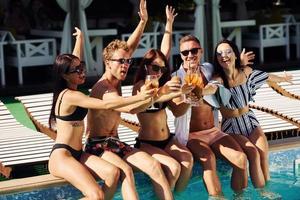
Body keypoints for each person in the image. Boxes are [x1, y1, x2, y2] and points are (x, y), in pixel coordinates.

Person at [48, 27, 153, 200]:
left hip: (78, 154)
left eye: (82, 67)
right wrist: (141, 96)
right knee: (96, 195)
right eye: (77, 70)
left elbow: (74, 61)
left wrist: (80, 40)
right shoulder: (70, 96)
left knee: (113, 173)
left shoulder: (72, 84)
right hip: (62, 156)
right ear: (65, 76)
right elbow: (107, 103)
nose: (82, 71)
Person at [84, 1, 173, 200]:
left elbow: (128, 48)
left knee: (155, 166)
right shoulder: (104, 87)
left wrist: (143, 22)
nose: (125, 65)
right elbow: (131, 107)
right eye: (120, 62)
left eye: (128, 62)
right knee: (126, 171)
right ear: (107, 62)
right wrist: (158, 94)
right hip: (96, 146)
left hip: (115, 141)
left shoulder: (116, 76)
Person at [168, 35, 251, 196]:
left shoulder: (208, 69)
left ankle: (240, 197)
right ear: (181, 55)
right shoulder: (176, 78)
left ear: (201, 51)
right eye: (185, 52)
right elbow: (177, 111)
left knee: (241, 159)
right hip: (191, 136)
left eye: (194, 50)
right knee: (209, 159)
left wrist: (239, 62)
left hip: (213, 131)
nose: (190, 55)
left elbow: (226, 71)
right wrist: (188, 98)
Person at [213, 39, 293, 188]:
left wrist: (283, 78)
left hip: (250, 120)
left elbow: (266, 76)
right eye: (220, 53)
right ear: (217, 59)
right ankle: (262, 193)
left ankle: (267, 189)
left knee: (263, 153)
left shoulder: (245, 71)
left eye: (228, 51)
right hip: (231, 126)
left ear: (235, 55)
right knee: (253, 154)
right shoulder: (218, 80)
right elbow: (210, 88)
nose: (224, 55)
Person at [133, 5, 194, 192]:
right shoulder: (141, 86)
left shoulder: (162, 82)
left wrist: (187, 96)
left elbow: (165, 52)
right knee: (173, 167)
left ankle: (178, 196)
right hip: (147, 142)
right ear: (146, 67)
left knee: (187, 160)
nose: (159, 72)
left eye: (162, 69)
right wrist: (167, 91)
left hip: (167, 139)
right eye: (155, 68)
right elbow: (143, 102)